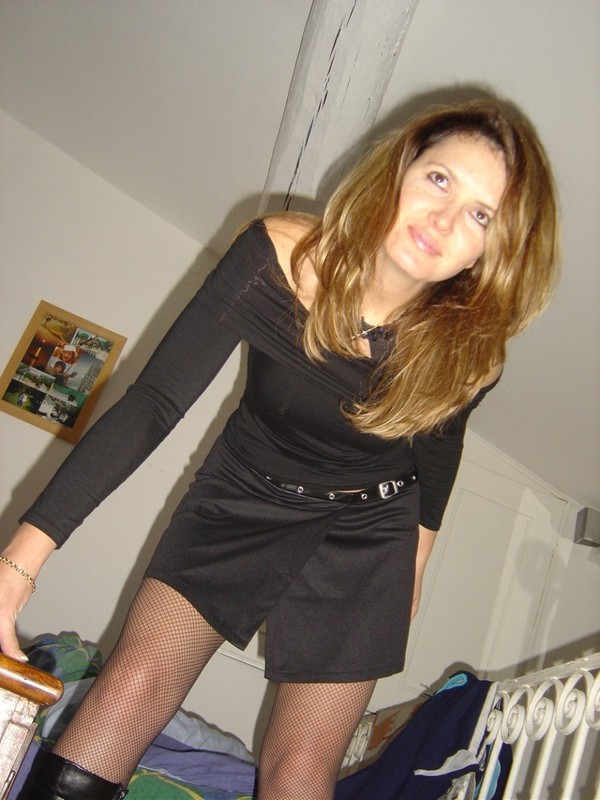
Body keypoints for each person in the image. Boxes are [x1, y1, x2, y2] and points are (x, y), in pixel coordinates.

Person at [0, 98, 559, 800]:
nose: (445, 220)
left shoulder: (471, 354)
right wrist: (19, 565)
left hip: (372, 528)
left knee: (299, 768)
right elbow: (153, 403)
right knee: (132, 683)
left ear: (494, 250)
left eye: (481, 214)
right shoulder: (277, 257)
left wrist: (414, 561)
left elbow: (440, 451)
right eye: (440, 179)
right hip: (243, 492)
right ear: (398, 169)